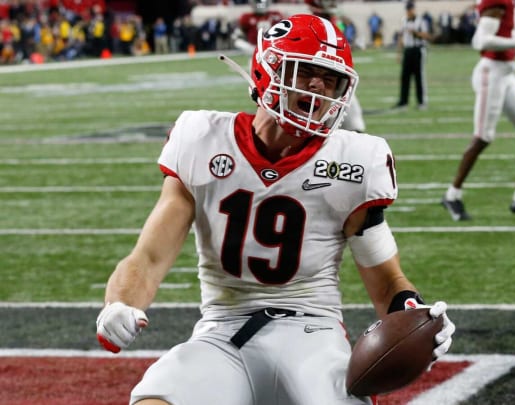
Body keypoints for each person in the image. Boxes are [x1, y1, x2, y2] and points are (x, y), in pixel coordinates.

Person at [95, 14, 455, 405]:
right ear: (268, 71)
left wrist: (415, 312)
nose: (318, 86)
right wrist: (120, 304)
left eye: (329, 78)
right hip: (221, 332)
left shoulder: (355, 162)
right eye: (306, 72)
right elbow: (147, 257)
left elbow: (387, 282)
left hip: (313, 334)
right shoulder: (202, 140)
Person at [441, 0, 515, 220]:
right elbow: (480, 41)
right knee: (483, 137)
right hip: (490, 75)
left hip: (506, 73)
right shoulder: (497, 2)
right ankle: (452, 195)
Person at [305, 0, 366, 133]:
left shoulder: (333, 20)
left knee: (351, 123)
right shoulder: (312, 23)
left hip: (335, 76)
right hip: (322, 77)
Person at [394, 1, 431, 111]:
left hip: (418, 50)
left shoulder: (421, 21)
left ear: (414, 9)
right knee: (405, 76)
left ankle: (422, 102)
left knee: (419, 76)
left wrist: (415, 33)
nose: (409, 11)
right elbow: (401, 38)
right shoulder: (404, 20)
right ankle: (403, 101)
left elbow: (426, 35)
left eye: (410, 9)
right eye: (407, 9)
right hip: (408, 50)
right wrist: (399, 53)